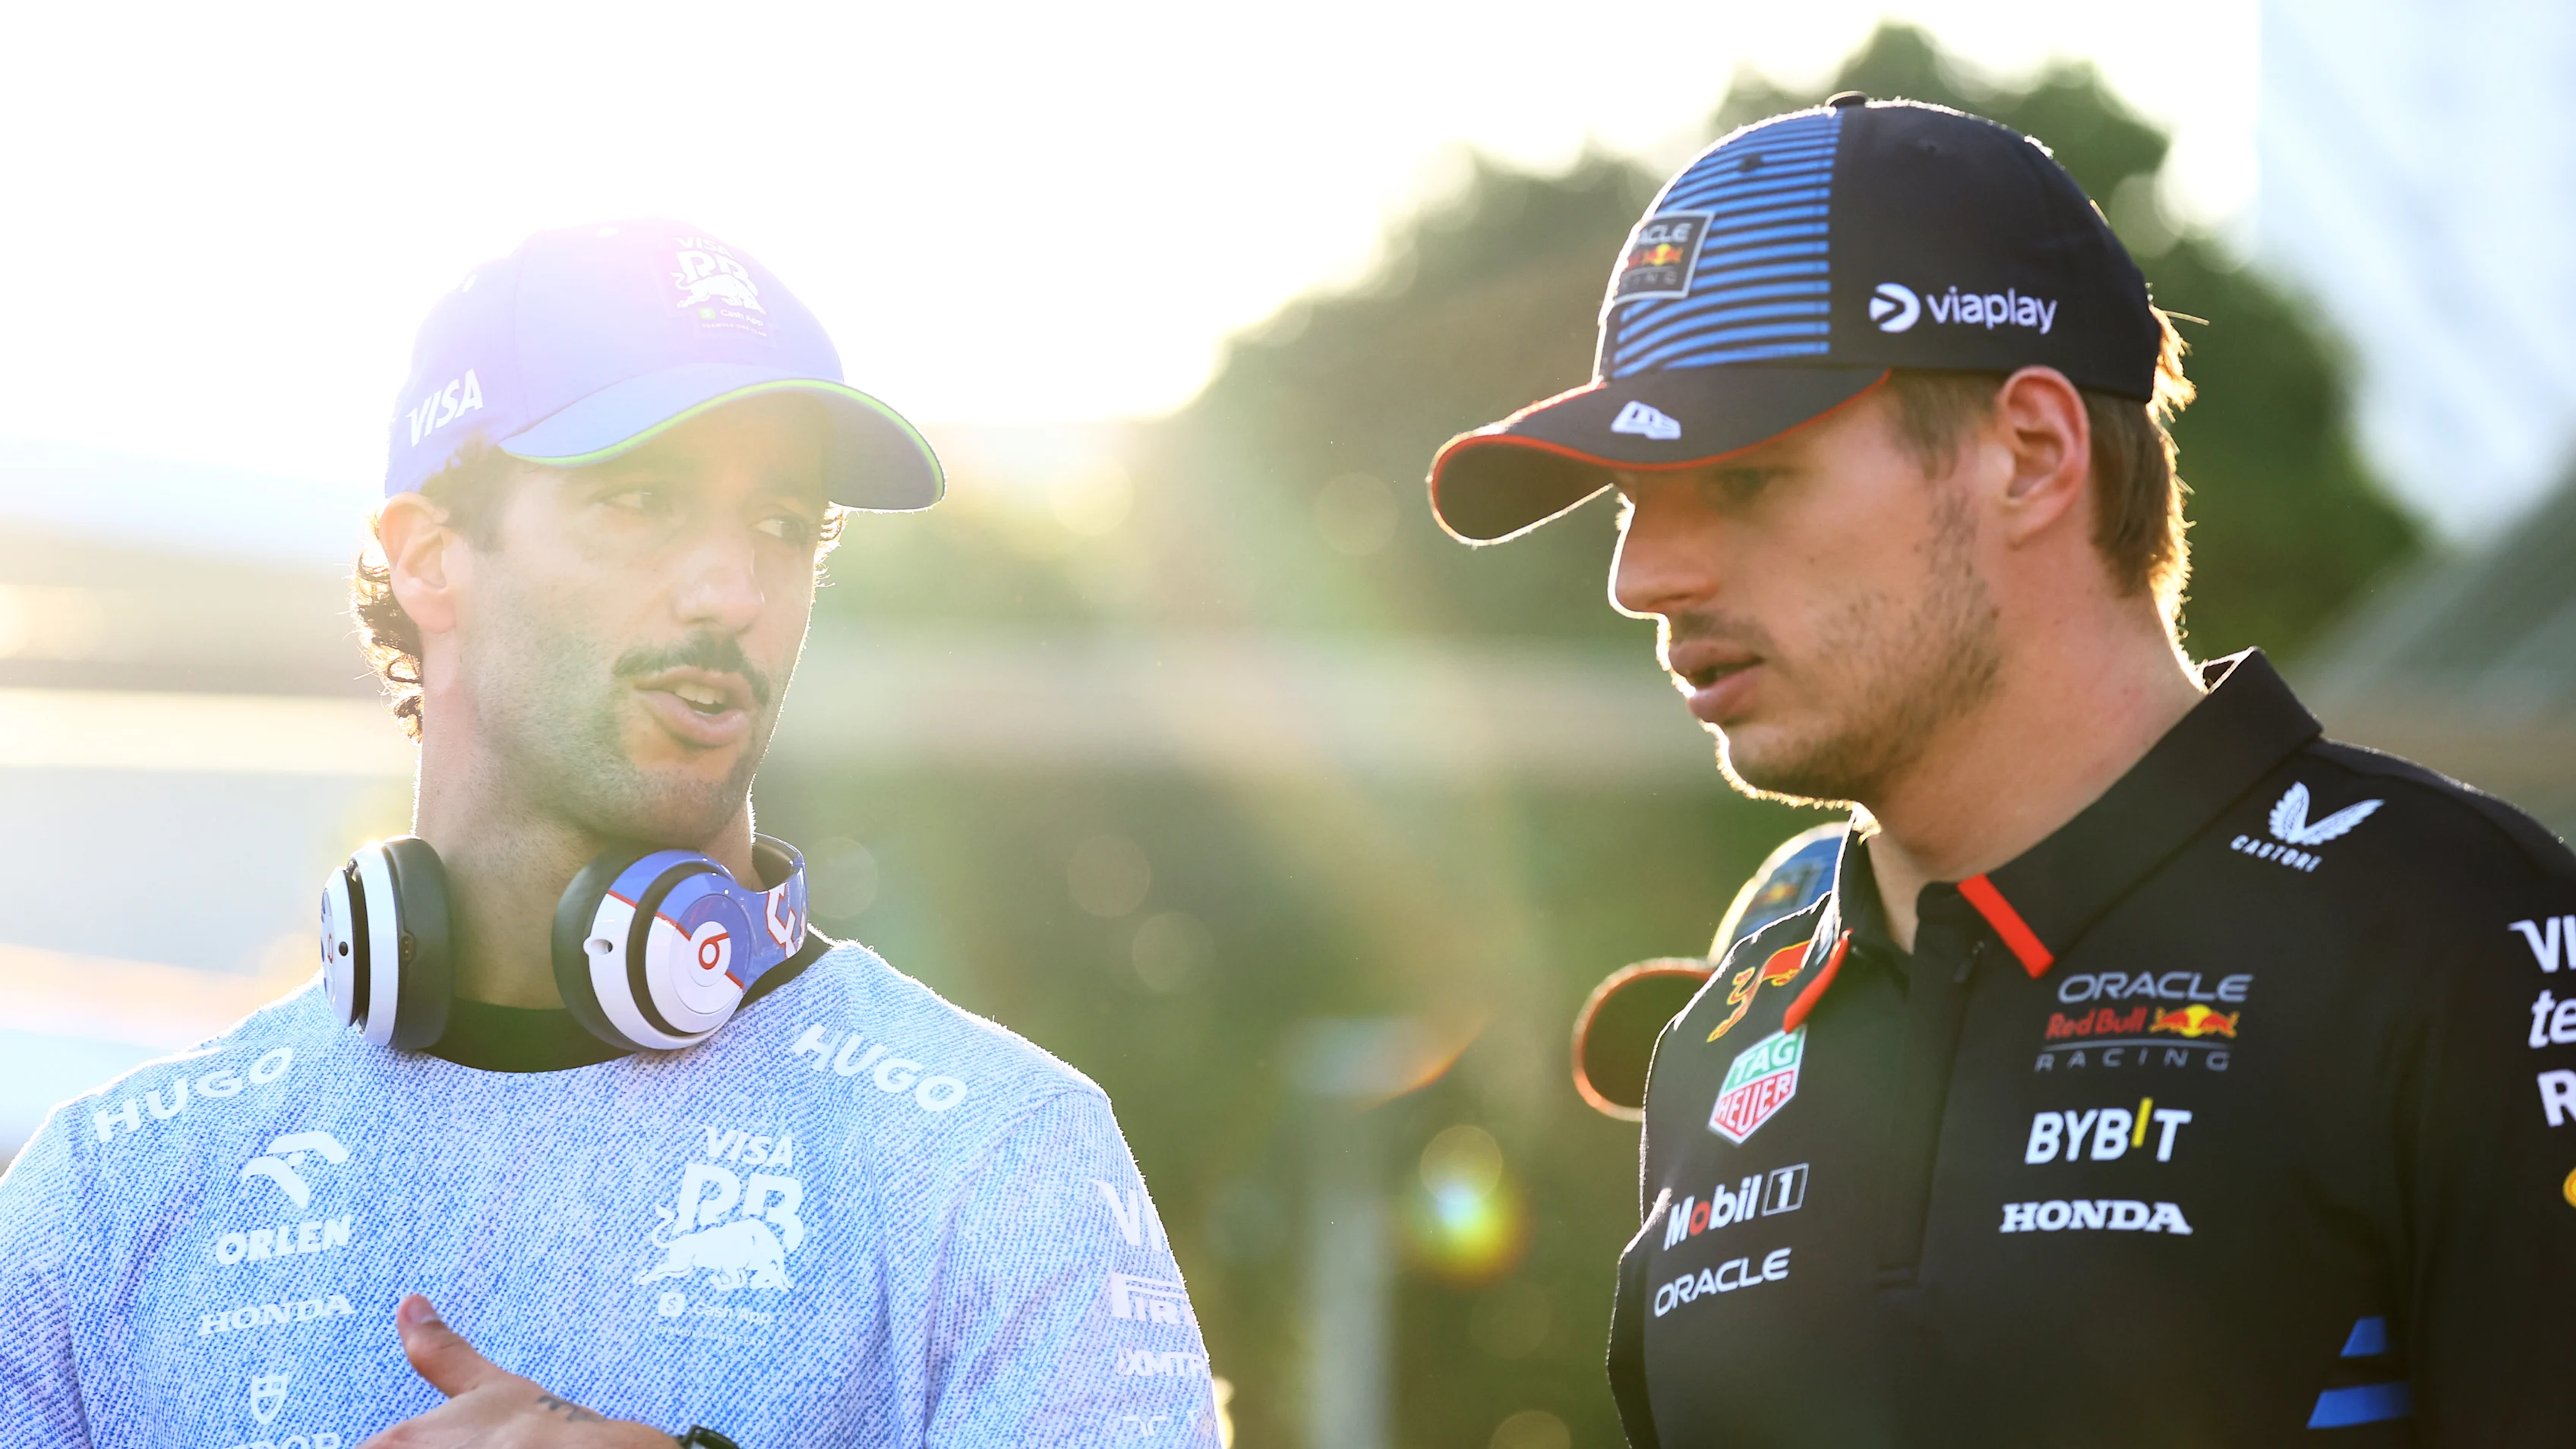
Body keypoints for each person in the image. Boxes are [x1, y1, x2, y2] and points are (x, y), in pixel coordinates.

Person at [1426, 95, 2576, 1445]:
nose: (1642, 577)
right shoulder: (1723, 1038)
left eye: (1744, 481)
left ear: (2031, 455)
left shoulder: (2465, 935)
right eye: (1633, 502)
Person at [0, 221, 1219, 1447]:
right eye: (643, 501)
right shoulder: (109, 1198)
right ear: (429, 559)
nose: (733, 591)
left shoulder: (996, 1158)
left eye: (784, 524)